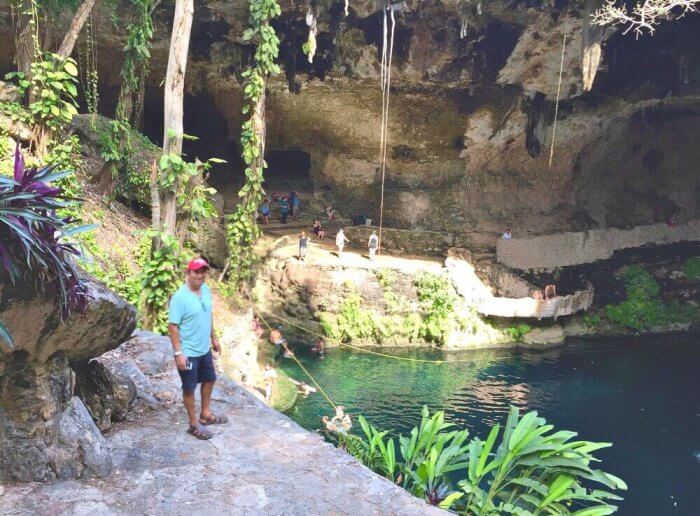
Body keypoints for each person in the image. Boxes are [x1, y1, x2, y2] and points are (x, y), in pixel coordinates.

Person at [168, 257, 227, 441]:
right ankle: (194, 424)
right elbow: (173, 326)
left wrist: (214, 338)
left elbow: (208, 315)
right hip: (188, 353)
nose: (200, 275)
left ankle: (205, 414)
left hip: (204, 349)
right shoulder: (180, 297)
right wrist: (179, 353)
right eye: (196, 271)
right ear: (188, 273)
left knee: (210, 379)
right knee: (189, 388)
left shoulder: (206, 291)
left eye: (203, 272)